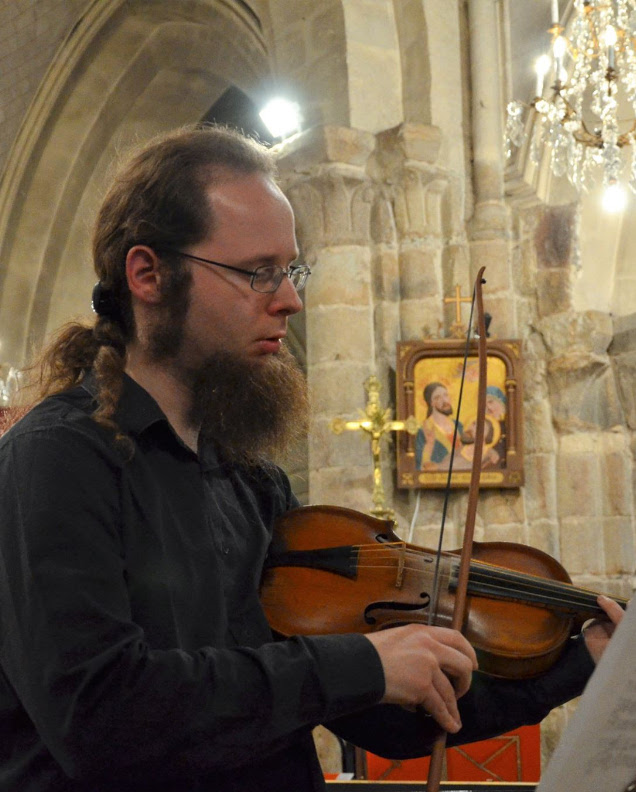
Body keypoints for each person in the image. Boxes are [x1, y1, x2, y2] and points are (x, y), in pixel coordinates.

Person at [0, 125, 623, 792]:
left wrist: (584, 660)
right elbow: (101, 716)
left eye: (291, 270)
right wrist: (360, 665)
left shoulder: (251, 480)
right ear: (148, 274)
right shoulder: (56, 459)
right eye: (258, 272)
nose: (291, 300)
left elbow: (384, 713)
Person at [415, 382, 464, 470]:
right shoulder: (423, 431)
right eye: (437, 397)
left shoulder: (458, 426)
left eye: (445, 395)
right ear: (431, 403)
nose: (444, 400)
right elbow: (419, 465)